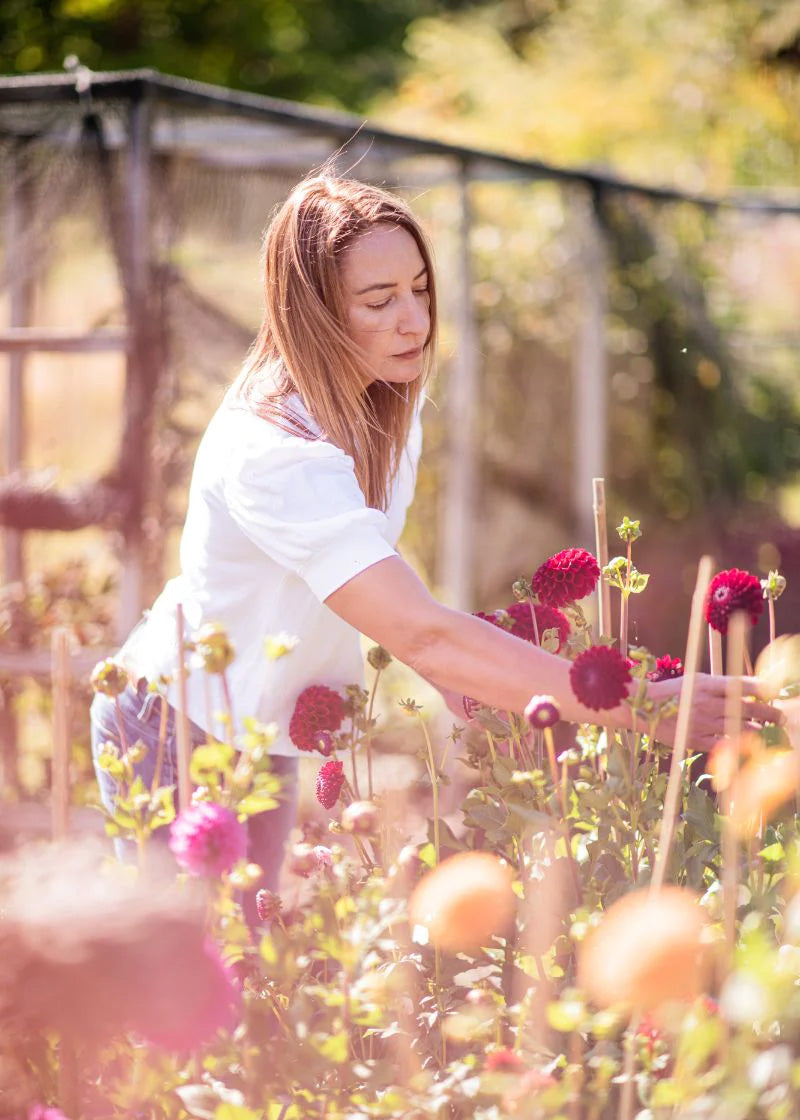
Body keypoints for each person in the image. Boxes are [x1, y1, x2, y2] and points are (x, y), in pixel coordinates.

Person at [91, 168, 778, 919]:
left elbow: (364, 562)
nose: (414, 320)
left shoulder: (380, 400)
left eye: (419, 289)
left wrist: (462, 667)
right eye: (379, 302)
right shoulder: (274, 450)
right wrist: (641, 705)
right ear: (312, 313)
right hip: (174, 730)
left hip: (256, 729)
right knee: (184, 984)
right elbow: (418, 630)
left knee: (249, 969)